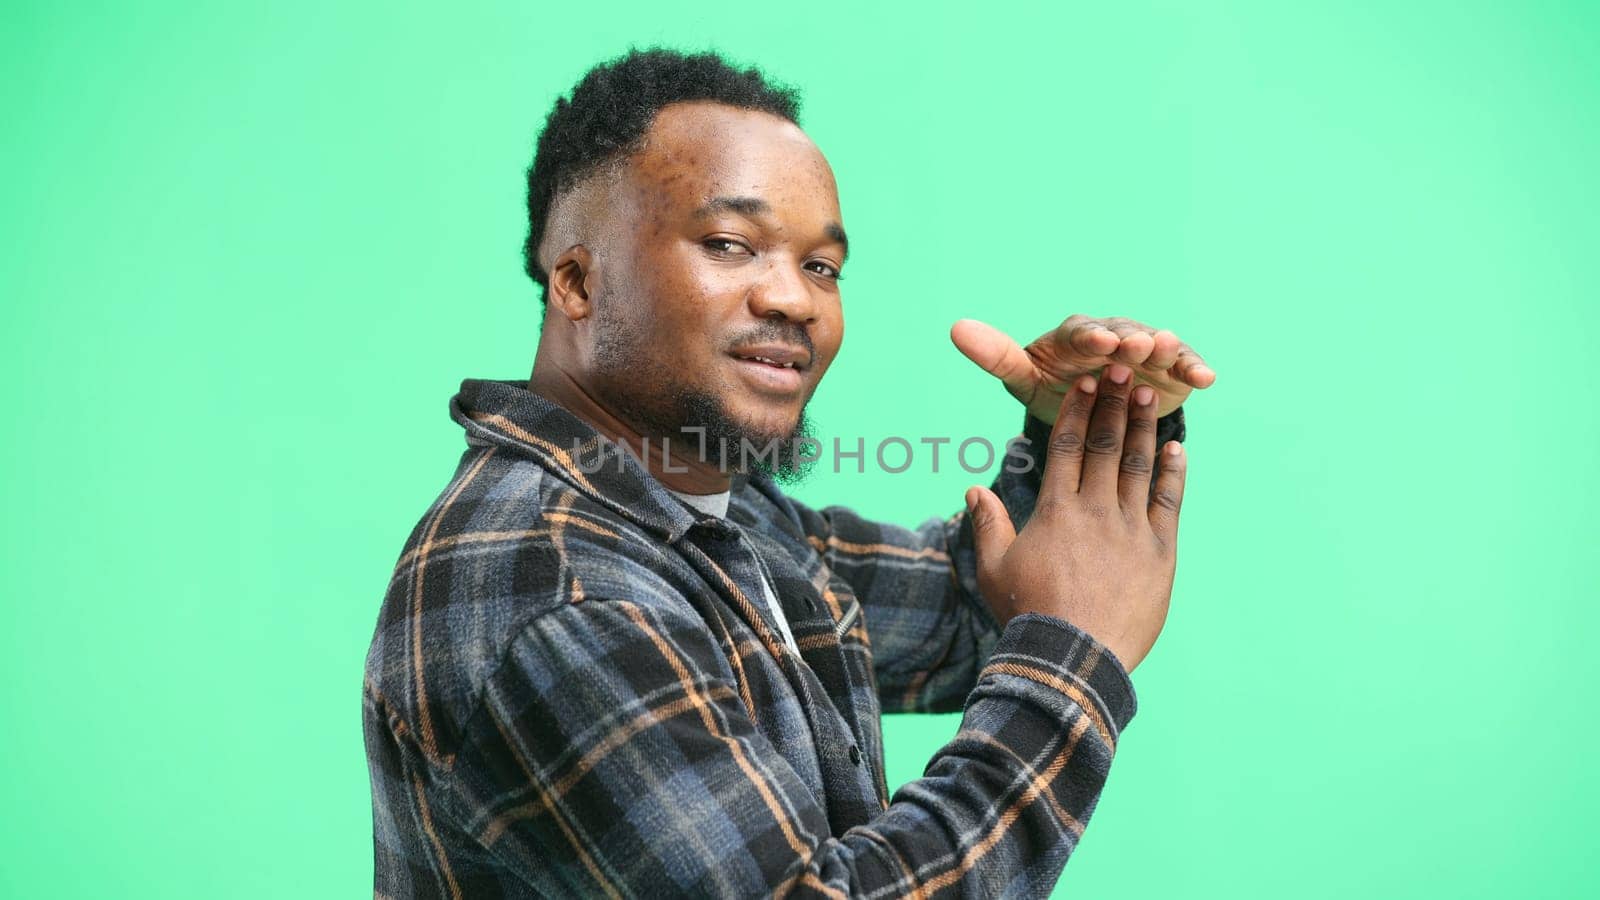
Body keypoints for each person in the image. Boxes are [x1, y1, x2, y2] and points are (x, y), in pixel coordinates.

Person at [363, 47, 1215, 898]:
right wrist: (1070, 660)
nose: (795, 299)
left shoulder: (698, 512)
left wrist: (1092, 420)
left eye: (821, 267)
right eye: (730, 244)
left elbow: (978, 608)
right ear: (578, 281)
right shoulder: (561, 594)